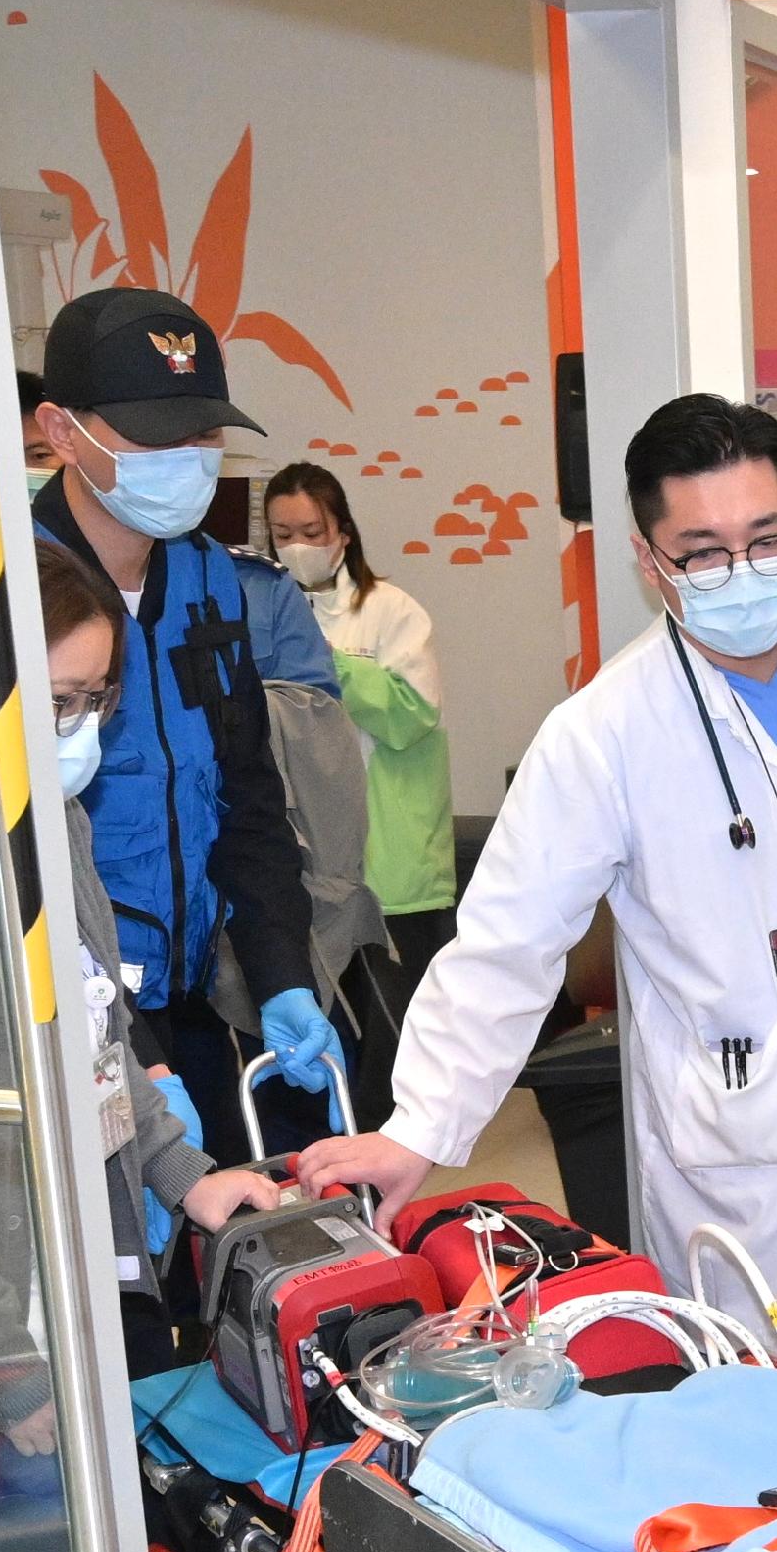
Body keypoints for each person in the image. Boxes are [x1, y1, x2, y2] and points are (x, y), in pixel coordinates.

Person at [299, 394, 777, 1374]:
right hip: (731, 1126)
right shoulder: (604, 731)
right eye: (703, 552)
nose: (744, 571)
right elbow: (509, 940)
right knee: (739, 1375)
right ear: (648, 559)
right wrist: (418, 1128)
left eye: (768, 539)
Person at [0, 533, 277, 1463]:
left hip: (71, 1273)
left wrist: (180, 1170)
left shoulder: (49, 820)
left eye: (98, 700)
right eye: (61, 703)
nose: (84, 732)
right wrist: (0, 1363)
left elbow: (95, 1026)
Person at [25, 286, 342, 1163]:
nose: (187, 460)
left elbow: (248, 795)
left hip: (189, 995)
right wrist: (128, 1049)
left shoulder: (213, 581)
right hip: (63, 1011)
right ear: (61, 431)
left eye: (202, 433)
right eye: (154, 436)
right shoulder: (4, 590)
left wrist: (282, 973)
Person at [266, 459, 455, 1129]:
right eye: (282, 534)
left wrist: (325, 657)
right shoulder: (262, 612)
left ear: (342, 533)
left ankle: (396, 1143)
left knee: (393, 1027)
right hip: (308, 850)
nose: (297, 546)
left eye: (311, 531)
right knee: (327, 1016)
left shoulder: (390, 611)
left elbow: (412, 716)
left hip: (389, 856)